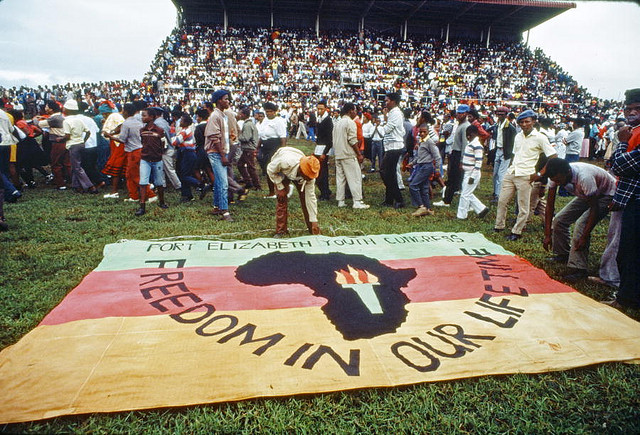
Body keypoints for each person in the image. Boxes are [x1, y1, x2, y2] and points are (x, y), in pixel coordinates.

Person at [543, 158, 616, 283]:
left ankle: (579, 268)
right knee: (559, 220)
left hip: (606, 195)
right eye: (555, 181)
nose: (558, 183)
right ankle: (563, 254)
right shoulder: (555, 176)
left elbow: (594, 208)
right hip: (586, 194)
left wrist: (584, 236)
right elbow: (550, 206)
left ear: (567, 172)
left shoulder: (584, 177)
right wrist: (548, 235)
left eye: (559, 180)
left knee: (581, 224)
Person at [494, 109, 557, 241]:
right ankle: (499, 226)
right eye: (521, 122)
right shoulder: (518, 136)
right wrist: (510, 168)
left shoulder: (540, 137)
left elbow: (553, 157)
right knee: (502, 201)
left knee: (523, 206)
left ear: (533, 122)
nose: (524, 124)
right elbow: (515, 154)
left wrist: (539, 174)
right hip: (512, 172)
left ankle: (517, 231)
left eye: (527, 122)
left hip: (526, 175)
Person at [605, 88, 640, 310]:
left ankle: (626, 299)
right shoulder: (634, 130)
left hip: (636, 200)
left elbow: (618, 165)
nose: (631, 112)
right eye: (628, 108)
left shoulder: (628, 135)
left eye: (637, 109)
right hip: (630, 196)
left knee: (630, 252)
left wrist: (622, 142)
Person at [267, 146, 320, 237]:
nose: (309, 179)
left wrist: (314, 220)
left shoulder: (310, 177)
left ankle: (312, 227)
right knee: (281, 198)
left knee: (305, 199)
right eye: (307, 176)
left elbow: (311, 198)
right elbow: (270, 169)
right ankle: (281, 230)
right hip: (281, 171)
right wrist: (280, 186)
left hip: (297, 160)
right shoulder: (285, 162)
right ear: (301, 171)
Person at [332, 103, 369, 209]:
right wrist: (359, 154)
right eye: (355, 110)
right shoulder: (350, 123)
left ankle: (341, 201)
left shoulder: (337, 123)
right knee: (355, 177)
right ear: (350, 111)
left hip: (338, 154)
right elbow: (352, 140)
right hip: (348, 154)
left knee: (340, 178)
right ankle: (357, 201)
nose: (356, 113)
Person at [204, 89, 233, 221]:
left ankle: (217, 207)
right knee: (223, 183)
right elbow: (214, 137)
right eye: (226, 99)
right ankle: (225, 212)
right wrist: (222, 155)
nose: (228, 101)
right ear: (219, 101)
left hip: (221, 152)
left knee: (218, 182)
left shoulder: (223, 115)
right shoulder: (215, 116)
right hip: (216, 153)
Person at [434, 104, 470, 207]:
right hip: (455, 153)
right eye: (458, 113)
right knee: (452, 178)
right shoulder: (459, 125)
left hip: (459, 154)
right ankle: (447, 199)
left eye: (461, 113)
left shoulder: (465, 126)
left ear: (466, 114)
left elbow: (464, 144)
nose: (459, 115)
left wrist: (462, 160)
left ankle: (447, 200)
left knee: (453, 178)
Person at [136, 107, 169, 215]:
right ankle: (142, 206)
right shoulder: (142, 130)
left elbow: (164, 145)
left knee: (159, 182)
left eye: (144, 115)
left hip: (157, 160)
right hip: (145, 159)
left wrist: (158, 153)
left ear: (151, 117)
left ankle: (162, 201)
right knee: (143, 182)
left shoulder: (159, 131)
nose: (142, 117)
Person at [61, 100, 98, 194]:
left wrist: (59, 139)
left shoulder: (66, 121)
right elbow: (88, 132)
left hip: (73, 144)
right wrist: (83, 141)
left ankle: (90, 186)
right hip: (81, 144)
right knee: (75, 165)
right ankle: (76, 186)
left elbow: (67, 136)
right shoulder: (79, 120)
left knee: (77, 167)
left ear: (67, 110)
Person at [457, 125, 489, 220]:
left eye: (469, 135)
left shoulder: (477, 145)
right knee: (467, 192)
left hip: (472, 173)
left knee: (464, 195)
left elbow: (478, 163)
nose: (468, 137)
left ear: (474, 134)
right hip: (467, 172)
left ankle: (461, 216)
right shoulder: (470, 143)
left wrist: (473, 177)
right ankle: (481, 209)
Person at [408, 124, 441, 217]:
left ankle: (421, 206)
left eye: (424, 132)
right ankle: (428, 209)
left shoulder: (429, 142)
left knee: (413, 185)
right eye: (420, 132)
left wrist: (437, 169)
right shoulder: (421, 141)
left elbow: (437, 156)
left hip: (427, 167)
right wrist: (412, 163)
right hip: (421, 165)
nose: (422, 133)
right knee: (424, 188)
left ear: (428, 132)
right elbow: (419, 156)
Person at [381, 92, 405, 208]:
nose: (386, 103)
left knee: (386, 172)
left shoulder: (395, 113)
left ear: (393, 102)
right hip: (391, 145)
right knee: (389, 173)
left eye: (387, 101)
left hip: (394, 146)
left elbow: (387, 128)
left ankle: (398, 198)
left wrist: (381, 126)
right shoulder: (392, 113)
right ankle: (389, 199)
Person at [257, 102, 287, 198]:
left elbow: (283, 137)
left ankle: (276, 191)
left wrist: (282, 151)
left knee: (272, 168)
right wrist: (257, 147)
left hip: (275, 145)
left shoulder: (279, 121)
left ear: (274, 112)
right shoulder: (265, 120)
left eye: (270, 112)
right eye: (267, 112)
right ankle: (272, 191)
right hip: (265, 145)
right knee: (266, 168)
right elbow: (262, 135)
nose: (268, 113)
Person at [173, 113, 200, 203]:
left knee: (184, 175)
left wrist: (170, 136)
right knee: (183, 174)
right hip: (187, 153)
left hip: (188, 153)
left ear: (185, 122)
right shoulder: (185, 130)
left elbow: (176, 142)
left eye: (181, 120)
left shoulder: (184, 132)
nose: (180, 122)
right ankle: (187, 195)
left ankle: (199, 184)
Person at [491, 106, 516, 202]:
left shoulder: (510, 127)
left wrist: (510, 154)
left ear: (506, 115)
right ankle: (496, 192)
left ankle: (500, 195)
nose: (500, 116)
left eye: (502, 114)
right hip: (498, 150)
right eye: (498, 114)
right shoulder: (497, 125)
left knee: (501, 174)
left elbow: (513, 142)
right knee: (495, 174)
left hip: (506, 152)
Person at [236, 106, 261, 191]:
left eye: (240, 114)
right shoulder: (249, 124)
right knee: (240, 165)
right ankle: (248, 181)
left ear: (243, 114)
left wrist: (238, 135)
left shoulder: (247, 125)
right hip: (248, 149)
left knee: (251, 167)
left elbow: (246, 138)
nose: (239, 115)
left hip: (248, 148)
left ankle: (257, 185)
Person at [314, 100, 333, 200]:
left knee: (323, 173)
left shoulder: (328, 120)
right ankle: (325, 191)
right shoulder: (320, 118)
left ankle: (325, 194)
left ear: (326, 109)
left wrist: (324, 153)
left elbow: (330, 139)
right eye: (318, 109)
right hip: (319, 147)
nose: (319, 110)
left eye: (321, 109)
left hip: (324, 149)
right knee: (319, 172)